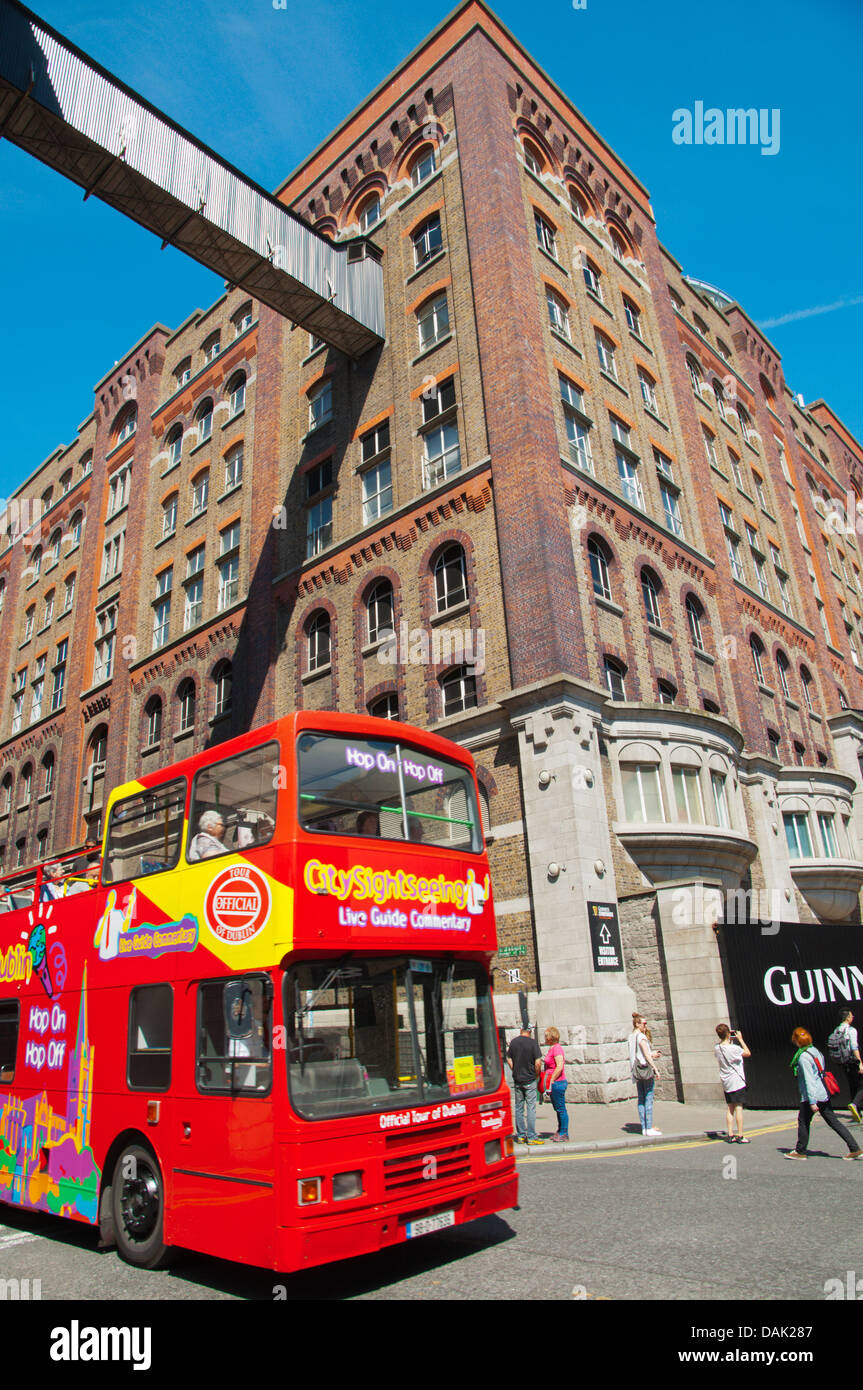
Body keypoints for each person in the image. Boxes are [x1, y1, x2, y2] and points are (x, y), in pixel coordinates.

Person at [785, 1026, 863, 1161]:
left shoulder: (803, 1057)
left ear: (797, 1041)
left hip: (812, 1095)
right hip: (823, 1092)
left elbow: (809, 1080)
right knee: (834, 1121)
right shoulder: (816, 1051)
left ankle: (800, 1151)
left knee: (803, 1121)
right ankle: (854, 1148)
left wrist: (812, 1101)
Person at [506, 1026, 544, 1146]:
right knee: (531, 1108)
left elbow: (509, 1059)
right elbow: (538, 1062)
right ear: (530, 1032)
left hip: (518, 1080)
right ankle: (532, 1136)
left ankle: (521, 1135)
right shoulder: (533, 1043)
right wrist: (536, 1075)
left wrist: (515, 1070)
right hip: (530, 1080)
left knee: (518, 1108)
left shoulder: (513, 1042)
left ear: (521, 1031)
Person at [715, 1023, 751, 1143]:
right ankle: (740, 1135)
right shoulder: (734, 1048)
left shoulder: (717, 1048)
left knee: (730, 1108)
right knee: (739, 1108)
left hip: (726, 1081)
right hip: (737, 1081)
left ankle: (730, 1134)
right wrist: (740, 1039)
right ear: (727, 1034)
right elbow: (747, 1053)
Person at [629, 1012, 662, 1136]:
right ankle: (648, 1128)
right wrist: (655, 1068)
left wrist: (652, 1054)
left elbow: (639, 1054)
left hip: (636, 1070)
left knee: (641, 1099)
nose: (645, 1026)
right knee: (648, 1099)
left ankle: (644, 1127)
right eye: (644, 1023)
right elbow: (646, 1055)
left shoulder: (632, 1036)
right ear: (637, 1024)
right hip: (645, 1070)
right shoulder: (641, 1037)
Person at [828, 1010, 863, 1124]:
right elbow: (854, 1047)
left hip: (843, 1062)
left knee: (852, 1085)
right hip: (852, 1061)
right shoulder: (851, 1030)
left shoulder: (837, 1030)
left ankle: (857, 1111)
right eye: (851, 1015)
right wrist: (860, 1062)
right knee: (861, 1084)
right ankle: (855, 1104)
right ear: (847, 1018)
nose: (853, 1016)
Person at [542, 1025, 569, 1142]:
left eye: (546, 1035)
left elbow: (559, 1066)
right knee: (558, 1109)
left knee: (561, 1109)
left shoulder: (557, 1048)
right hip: (553, 1083)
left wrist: (551, 1080)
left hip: (558, 1082)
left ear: (551, 1037)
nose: (544, 1037)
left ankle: (564, 1133)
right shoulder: (552, 1048)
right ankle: (560, 1130)